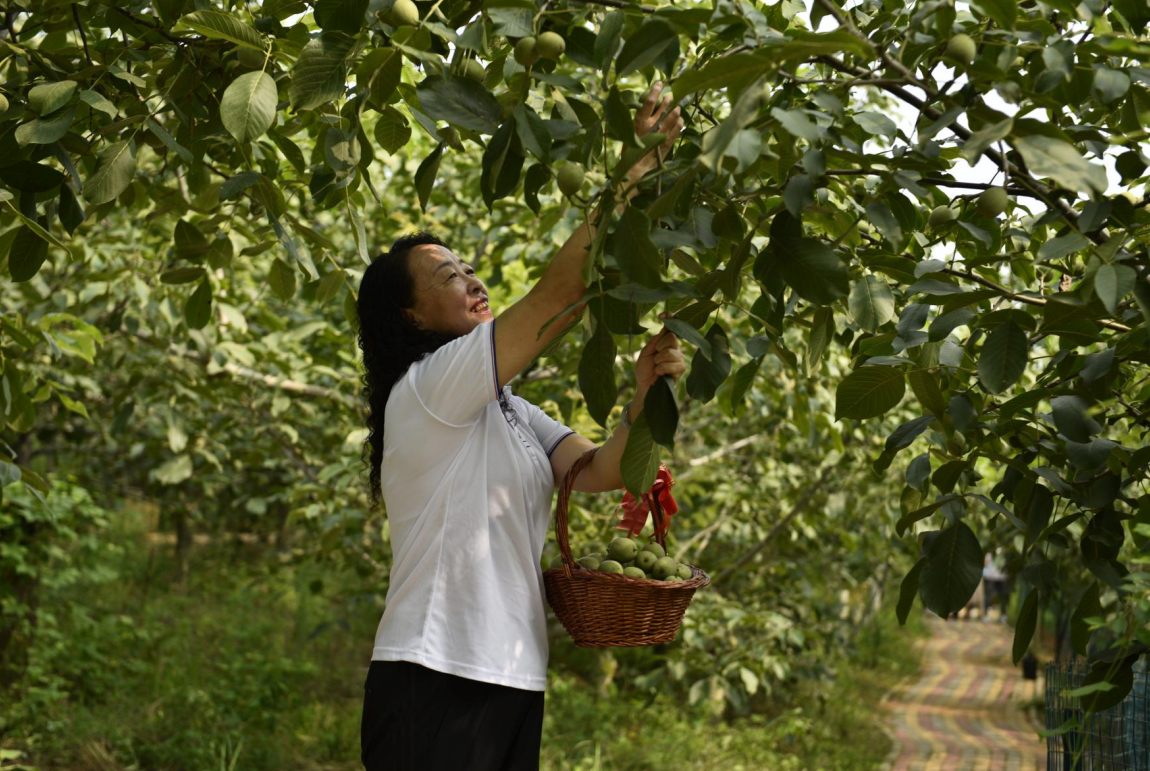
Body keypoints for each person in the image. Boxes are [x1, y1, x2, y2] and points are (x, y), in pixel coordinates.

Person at [355, 81, 686, 771]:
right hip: (435, 670)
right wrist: (637, 170)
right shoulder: (430, 388)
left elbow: (596, 472)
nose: (473, 281)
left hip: (511, 674)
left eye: (470, 267)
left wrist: (641, 397)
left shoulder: (504, 407)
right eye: (450, 275)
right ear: (411, 316)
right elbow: (560, 294)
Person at [982, 549, 1009, 622]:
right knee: (990, 596)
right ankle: (987, 614)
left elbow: (985, 562)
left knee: (1000, 596)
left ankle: (1002, 615)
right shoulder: (994, 551)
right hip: (993, 576)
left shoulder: (1004, 551)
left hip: (1001, 577)